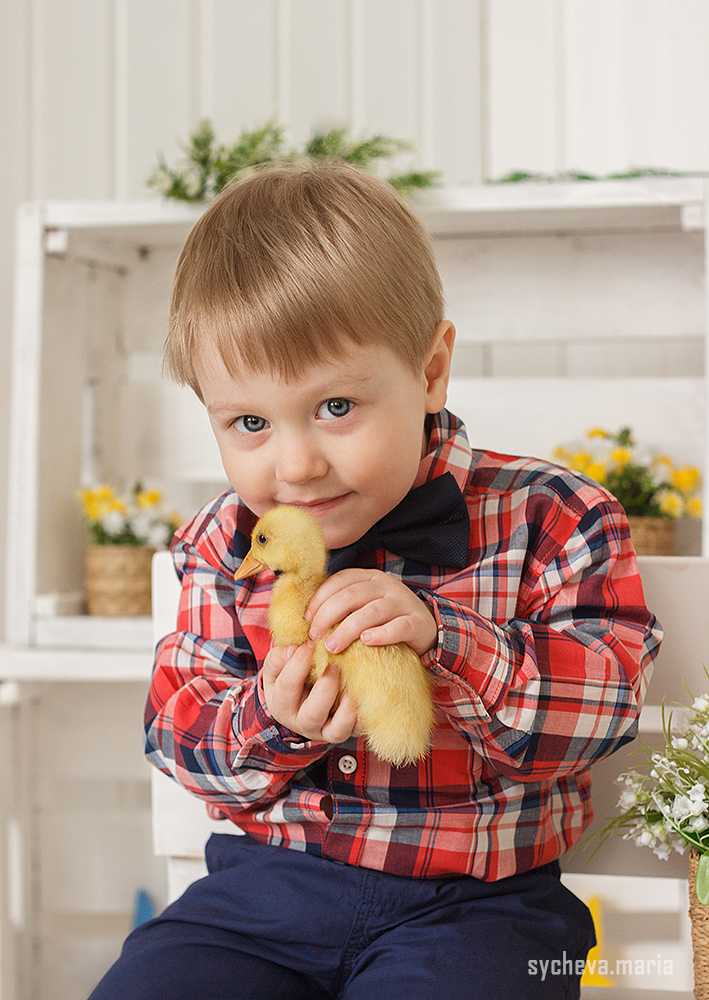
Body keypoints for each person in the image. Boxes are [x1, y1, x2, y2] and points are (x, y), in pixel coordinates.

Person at [89, 161, 661, 1000]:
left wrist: (445, 640)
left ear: (430, 371)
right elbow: (178, 733)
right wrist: (270, 719)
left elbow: (606, 708)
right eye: (249, 423)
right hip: (258, 903)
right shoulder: (224, 542)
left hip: (481, 913)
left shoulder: (552, 518)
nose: (295, 463)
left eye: (335, 408)